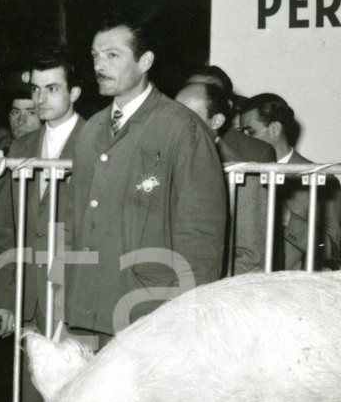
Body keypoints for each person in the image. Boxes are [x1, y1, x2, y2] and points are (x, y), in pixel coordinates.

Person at [64, 19, 226, 347]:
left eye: (112, 55)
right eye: (95, 55)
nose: (99, 65)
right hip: (89, 307)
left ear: (145, 62)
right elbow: (76, 221)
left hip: (149, 312)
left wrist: (184, 320)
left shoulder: (183, 128)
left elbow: (200, 238)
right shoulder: (92, 130)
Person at [0, 50, 85, 402]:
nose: (41, 99)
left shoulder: (98, 142)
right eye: (36, 90)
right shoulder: (22, 147)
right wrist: (5, 295)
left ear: (75, 92)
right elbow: (4, 227)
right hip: (29, 297)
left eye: (52, 88)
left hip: (75, 296)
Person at [175, 81, 275, 275]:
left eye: (189, 116)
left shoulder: (244, 175)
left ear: (217, 121)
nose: (176, 123)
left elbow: (251, 258)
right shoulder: (162, 162)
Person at [238, 93, 341, 270]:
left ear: (275, 128)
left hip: (293, 290)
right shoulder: (244, 175)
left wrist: (286, 218)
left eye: (250, 132)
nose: (245, 140)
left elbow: (329, 249)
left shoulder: (322, 179)